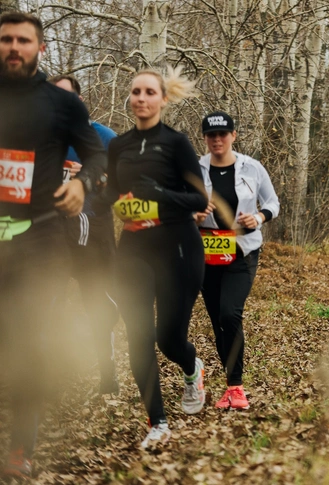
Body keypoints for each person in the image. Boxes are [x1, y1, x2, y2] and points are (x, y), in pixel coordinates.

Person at [0, 12, 107, 479]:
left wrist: (84, 182)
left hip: (39, 235)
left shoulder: (61, 105)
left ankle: (20, 448)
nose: (13, 47)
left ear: (40, 48)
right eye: (5, 39)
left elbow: (99, 153)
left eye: (23, 40)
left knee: (29, 340)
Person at [106, 66, 208, 449]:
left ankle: (191, 366)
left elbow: (199, 200)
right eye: (136, 92)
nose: (142, 98)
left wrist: (159, 195)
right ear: (130, 98)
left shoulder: (177, 143)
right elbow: (113, 195)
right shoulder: (118, 146)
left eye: (150, 92)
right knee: (137, 336)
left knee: (168, 339)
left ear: (163, 99)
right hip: (133, 247)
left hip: (177, 248)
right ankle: (158, 422)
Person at [194, 111, 280, 410]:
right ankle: (230, 387)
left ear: (233, 135)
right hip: (206, 252)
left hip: (242, 250)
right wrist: (192, 216)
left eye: (223, 134)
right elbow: (178, 205)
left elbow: (272, 203)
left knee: (230, 314)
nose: (217, 140)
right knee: (219, 321)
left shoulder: (252, 168)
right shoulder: (194, 169)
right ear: (204, 138)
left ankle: (237, 386)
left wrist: (258, 217)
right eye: (211, 135)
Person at [51, 74, 120, 394]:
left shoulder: (104, 137)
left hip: (95, 228)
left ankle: (108, 374)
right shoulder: (40, 138)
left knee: (97, 303)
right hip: (51, 231)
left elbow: (126, 182)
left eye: (67, 97)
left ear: (79, 102)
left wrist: (99, 179)